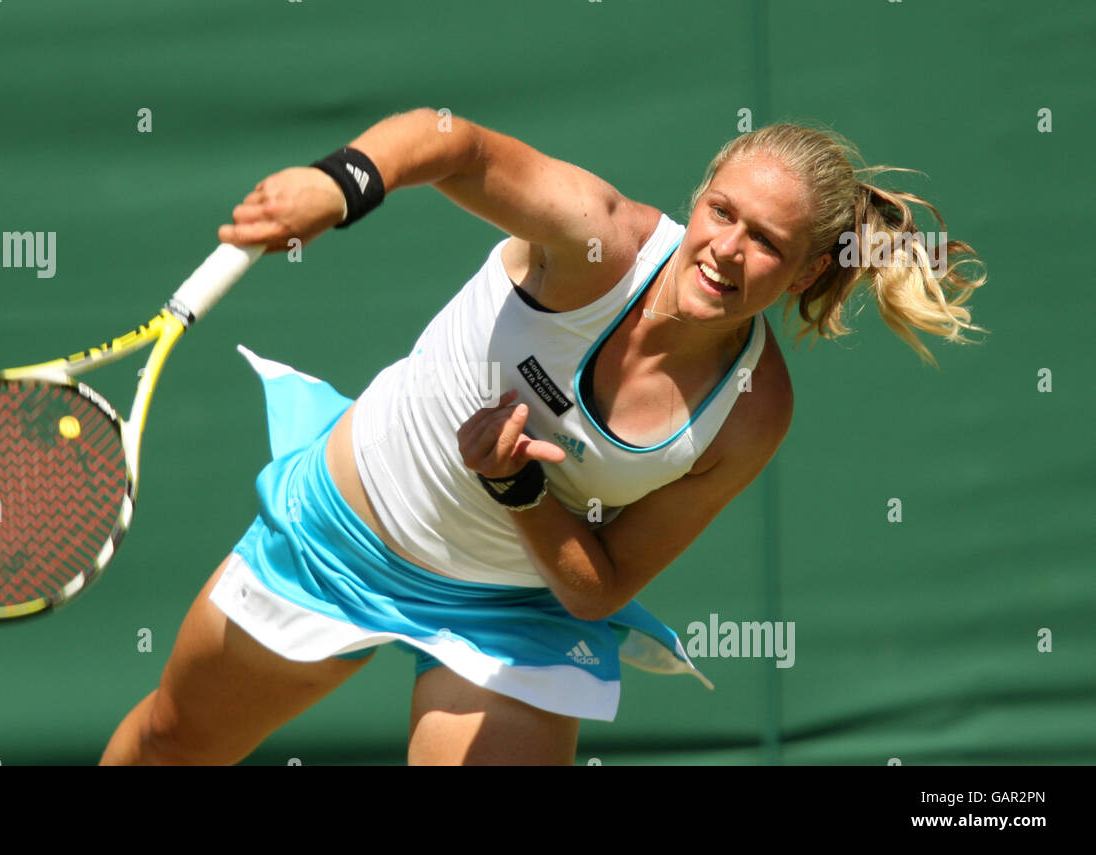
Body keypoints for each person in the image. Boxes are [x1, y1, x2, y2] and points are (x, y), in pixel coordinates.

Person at [100, 108, 986, 766]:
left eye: (766, 243)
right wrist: (342, 182)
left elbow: (598, 588)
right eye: (723, 212)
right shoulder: (595, 238)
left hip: (510, 610)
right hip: (348, 530)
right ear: (699, 194)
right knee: (172, 745)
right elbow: (454, 144)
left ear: (805, 272)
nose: (726, 249)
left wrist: (517, 490)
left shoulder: (752, 410)